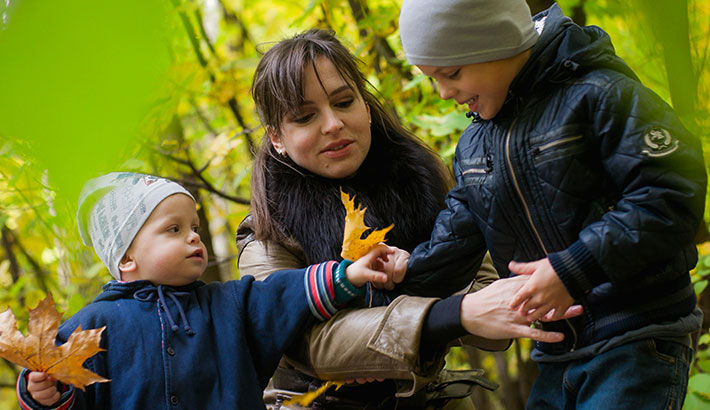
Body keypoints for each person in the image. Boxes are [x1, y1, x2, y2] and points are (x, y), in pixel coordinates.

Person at [240, 28, 581, 409]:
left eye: (344, 101)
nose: (332, 124)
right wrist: (457, 315)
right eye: (304, 117)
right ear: (277, 138)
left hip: (428, 396)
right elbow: (312, 346)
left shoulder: (422, 182)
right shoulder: (268, 230)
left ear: (365, 106)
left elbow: (487, 296)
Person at [397, 0, 707, 408]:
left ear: (498, 41)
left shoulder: (596, 94)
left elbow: (671, 193)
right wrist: (403, 272)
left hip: (634, 336)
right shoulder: (475, 145)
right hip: (557, 351)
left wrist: (572, 269)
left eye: (451, 73)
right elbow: (455, 239)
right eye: (432, 79)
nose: (444, 93)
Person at [16, 172, 401, 410]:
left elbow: (285, 294)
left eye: (194, 227)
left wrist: (348, 275)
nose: (193, 237)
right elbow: (63, 388)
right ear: (127, 256)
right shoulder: (90, 328)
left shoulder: (228, 305)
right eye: (174, 229)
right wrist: (43, 395)